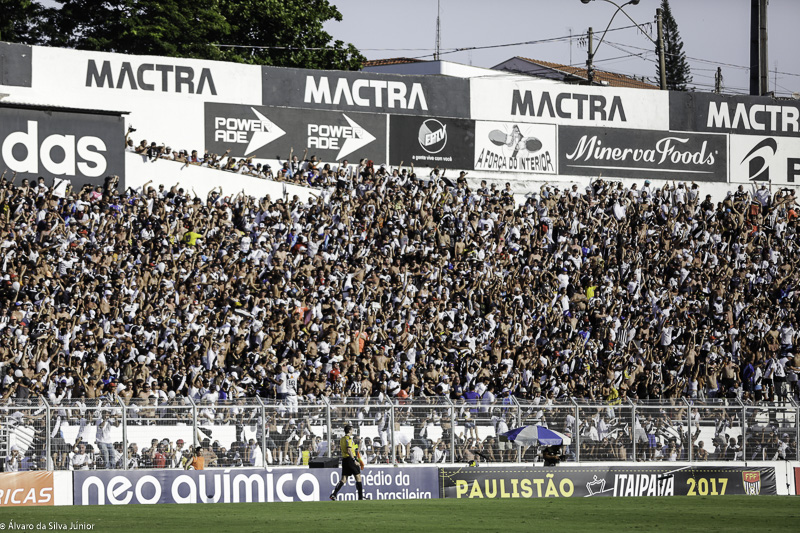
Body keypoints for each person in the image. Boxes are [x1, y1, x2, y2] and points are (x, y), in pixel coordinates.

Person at [329, 425, 364, 501]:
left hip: (344, 460)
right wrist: (354, 460)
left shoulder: (342, 439)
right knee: (358, 477)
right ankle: (360, 497)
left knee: (344, 479)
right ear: (350, 431)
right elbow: (349, 450)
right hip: (350, 459)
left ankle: (334, 494)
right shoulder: (349, 439)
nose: (353, 431)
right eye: (352, 430)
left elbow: (350, 448)